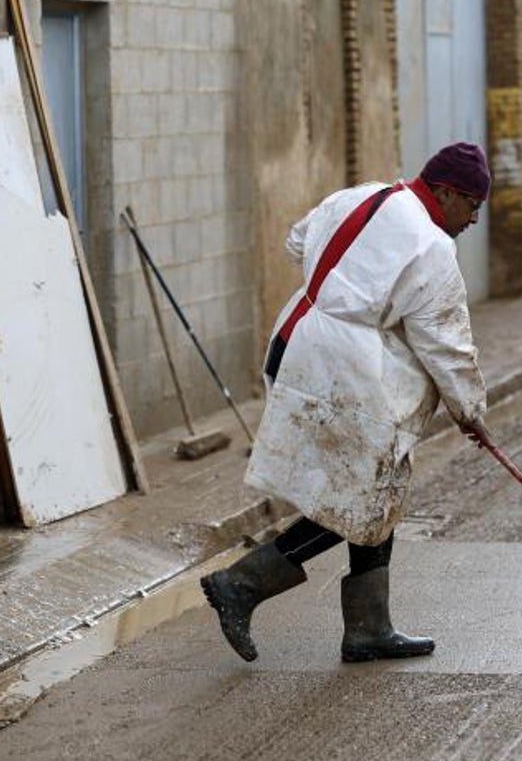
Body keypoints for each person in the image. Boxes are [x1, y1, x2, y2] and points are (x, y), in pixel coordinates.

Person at [201, 142, 492, 663]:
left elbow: (297, 241)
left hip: (297, 340)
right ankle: (242, 584)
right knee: (360, 495)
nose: (473, 218)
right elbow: (445, 342)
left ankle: (369, 628)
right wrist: (470, 411)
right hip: (342, 366)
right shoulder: (431, 246)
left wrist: (342, 285)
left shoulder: (361, 195)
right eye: (471, 205)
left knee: (374, 486)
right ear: (445, 192)